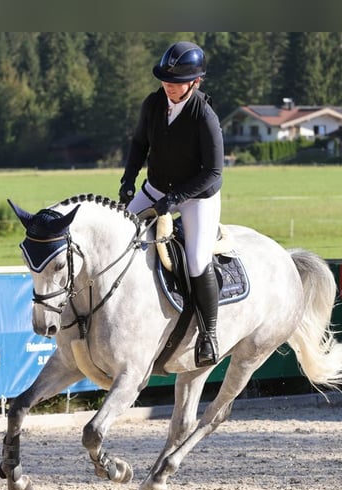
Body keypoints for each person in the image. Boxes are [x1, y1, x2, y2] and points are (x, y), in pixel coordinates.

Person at [118, 40, 224, 367]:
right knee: (120, 236)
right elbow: (138, 144)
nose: (169, 86)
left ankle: (209, 335)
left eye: (176, 83)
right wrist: (127, 180)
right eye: (166, 80)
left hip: (196, 197)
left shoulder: (204, 115)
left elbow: (214, 171)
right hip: (155, 187)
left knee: (195, 260)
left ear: (195, 82)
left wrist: (176, 198)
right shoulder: (152, 104)